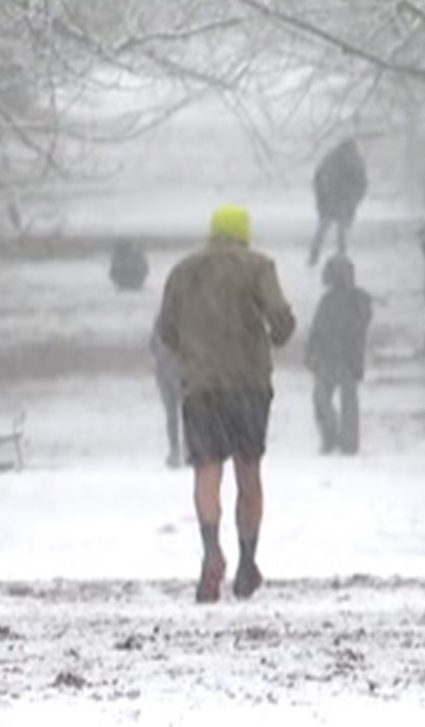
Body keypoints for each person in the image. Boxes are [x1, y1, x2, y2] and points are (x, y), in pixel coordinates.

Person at [155, 204, 295, 603]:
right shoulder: (259, 267)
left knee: (207, 472)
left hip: (202, 387)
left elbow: (167, 329)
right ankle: (248, 562)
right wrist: (272, 335)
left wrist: (197, 349)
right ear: (244, 233)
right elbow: (281, 322)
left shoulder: (183, 272)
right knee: (249, 472)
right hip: (248, 385)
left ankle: (211, 548)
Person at [305, 255, 373, 455]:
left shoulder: (354, 302)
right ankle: (337, 438)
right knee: (328, 399)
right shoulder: (349, 301)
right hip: (335, 358)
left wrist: (313, 351)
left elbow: (320, 329)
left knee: (332, 399)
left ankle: (340, 439)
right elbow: (317, 329)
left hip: (341, 358)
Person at [309, 138, 368, 266]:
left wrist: (321, 196)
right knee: (340, 234)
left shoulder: (330, 157)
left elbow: (317, 177)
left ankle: (314, 256)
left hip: (330, 202)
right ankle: (341, 260)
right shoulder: (355, 160)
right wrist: (355, 199)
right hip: (343, 203)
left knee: (322, 231)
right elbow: (362, 183)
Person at [149, 328, 184, 468]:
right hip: (174, 372)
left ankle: (177, 451)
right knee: (178, 414)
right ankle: (179, 450)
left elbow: (153, 347)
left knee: (173, 415)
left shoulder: (162, 324)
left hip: (168, 371)